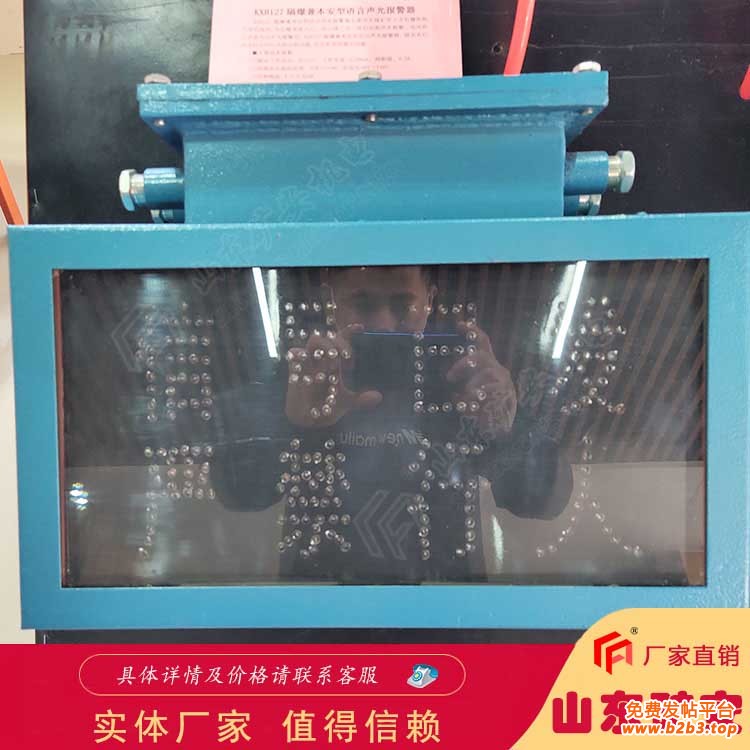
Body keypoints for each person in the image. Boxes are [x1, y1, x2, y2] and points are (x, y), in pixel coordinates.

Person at [212, 265, 572, 583]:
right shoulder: (305, 378)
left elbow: (545, 500)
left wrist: (506, 429)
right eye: (363, 304)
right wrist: (293, 426)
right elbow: (235, 491)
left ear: (429, 301)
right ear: (330, 301)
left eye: (402, 306)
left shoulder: (462, 378)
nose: (383, 325)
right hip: (344, 611)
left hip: (429, 612)